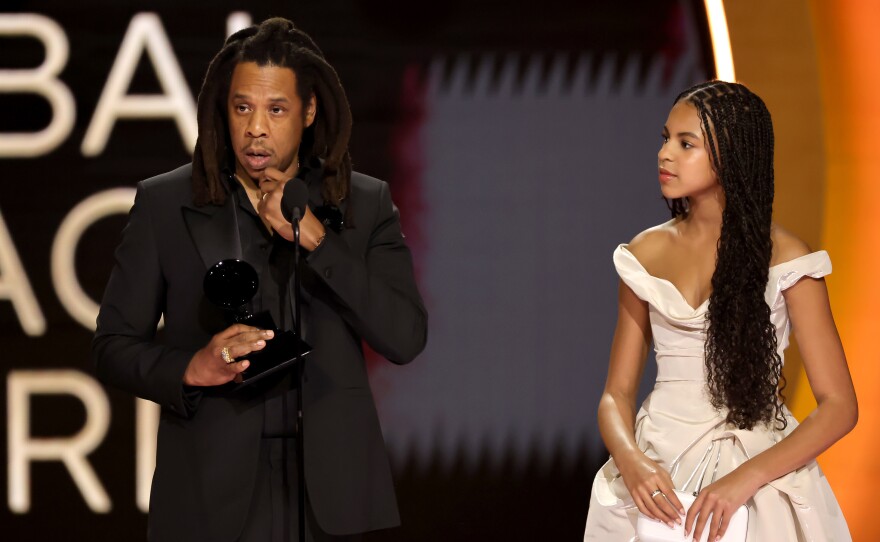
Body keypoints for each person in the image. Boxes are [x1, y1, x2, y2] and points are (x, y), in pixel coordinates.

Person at [92, 18, 427, 542]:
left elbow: (405, 336)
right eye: (242, 107)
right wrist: (192, 368)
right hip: (210, 497)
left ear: (309, 110)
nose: (255, 129)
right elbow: (111, 346)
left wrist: (320, 244)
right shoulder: (165, 203)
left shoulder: (362, 203)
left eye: (276, 110)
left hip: (331, 498)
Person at [583, 81, 856, 541]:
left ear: (729, 153)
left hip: (757, 476)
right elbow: (616, 395)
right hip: (658, 473)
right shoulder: (644, 252)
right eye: (665, 138)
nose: (665, 154)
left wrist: (745, 479)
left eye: (685, 143)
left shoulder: (787, 259)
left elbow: (839, 407)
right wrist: (632, 462)